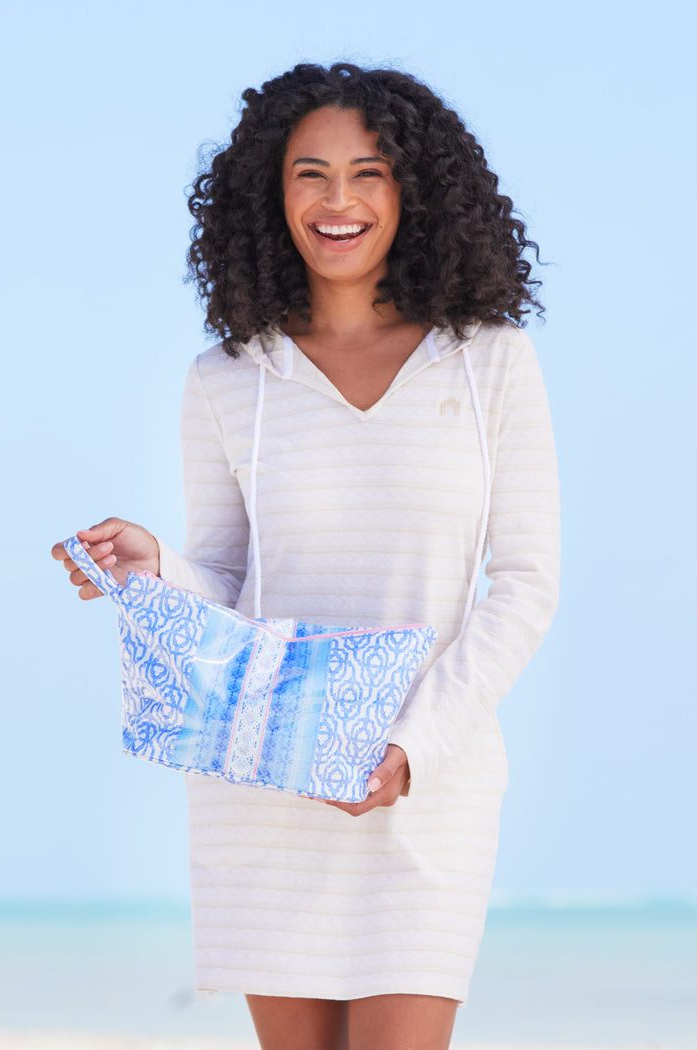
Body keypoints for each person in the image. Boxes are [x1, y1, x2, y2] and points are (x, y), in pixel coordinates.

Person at [52, 62, 560, 1050]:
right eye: (310, 174)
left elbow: (529, 584)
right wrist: (154, 568)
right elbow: (230, 584)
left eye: (368, 173)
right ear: (269, 195)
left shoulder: (490, 359)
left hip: (428, 782)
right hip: (269, 778)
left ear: (414, 192)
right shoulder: (227, 379)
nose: (338, 201)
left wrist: (413, 745)